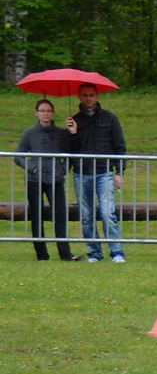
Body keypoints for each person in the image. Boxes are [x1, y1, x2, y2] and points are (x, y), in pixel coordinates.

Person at [66, 82, 127, 262]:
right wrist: (72, 133)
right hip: (81, 172)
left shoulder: (110, 118)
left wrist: (119, 172)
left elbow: (119, 146)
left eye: (91, 95)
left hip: (104, 172)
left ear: (97, 96)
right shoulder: (74, 120)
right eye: (84, 95)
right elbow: (70, 149)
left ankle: (117, 252)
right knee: (86, 216)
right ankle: (95, 252)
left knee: (108, 213)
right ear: (79, 97)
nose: (88, 98)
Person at [14, 99, 76, 261]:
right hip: (35, 180)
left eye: (48, 111)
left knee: (60, 216)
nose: (46, 114)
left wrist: (63, 169)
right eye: (42, 111)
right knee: (37, 216)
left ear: (53, 113)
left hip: (55, 179)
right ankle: (41, 254)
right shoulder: (29, 133)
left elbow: (69, 153)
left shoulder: (61, 133)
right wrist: (31, 168)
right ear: (37, 113)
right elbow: (18, 155)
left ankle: (65, 254)